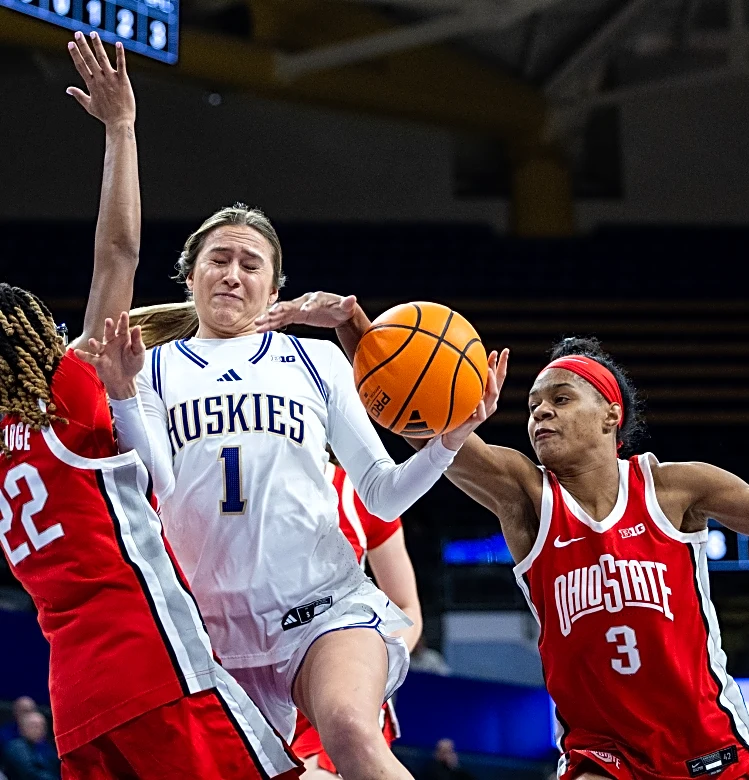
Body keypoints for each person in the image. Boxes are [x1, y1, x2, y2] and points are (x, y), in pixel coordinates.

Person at [256, 292, 749, 780]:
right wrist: (358, 332)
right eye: (532, 405)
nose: (541, 411)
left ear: (610, 414)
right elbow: (422, 417)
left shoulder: (677, 488)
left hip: (706, 743)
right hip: (604, 752)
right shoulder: (528, 497)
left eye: (561, 399)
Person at [77, 205, 499, 780]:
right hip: (207, 634)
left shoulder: (316, 359)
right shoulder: (152, 366)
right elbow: (155, 480)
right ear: (190, 275)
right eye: (219, 260)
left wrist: (448, 443)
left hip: (320, 610)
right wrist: (123, 394)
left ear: (274, 289)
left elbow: (382, 493)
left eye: (250, 264)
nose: (233, 274)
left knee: (351, 731)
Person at [0, 32, 299, 780]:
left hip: (72, 697)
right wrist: (122, 129)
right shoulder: (67, 392)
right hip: (151, 661)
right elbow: (118, 254)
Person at [291, 457, 422, 776]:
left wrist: (365, 668)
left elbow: (406, 609)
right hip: (249, 680)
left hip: (332, 681)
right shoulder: (216, 479)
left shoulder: (359, 494)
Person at [2, 711, 59, 780]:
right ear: (22, 728)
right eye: (35, 726)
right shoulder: (16, 747)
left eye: (43, 726)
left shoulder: (46, 747)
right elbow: (30, 773)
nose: (40, 730)